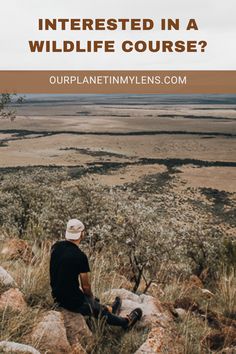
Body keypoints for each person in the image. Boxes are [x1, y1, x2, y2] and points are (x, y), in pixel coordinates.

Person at [49, 218, 142, 329]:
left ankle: (110, 309)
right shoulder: (80, 256)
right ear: (81, 234)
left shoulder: (55, 247)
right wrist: (91, 299)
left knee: (94, 303)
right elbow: (86, 287)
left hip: (57, 296)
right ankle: (126, 322)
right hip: (71, 302)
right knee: (98, 309)